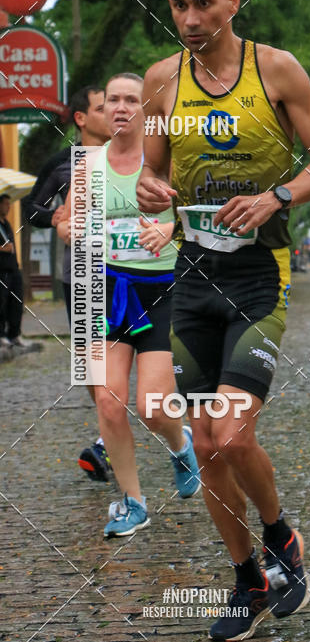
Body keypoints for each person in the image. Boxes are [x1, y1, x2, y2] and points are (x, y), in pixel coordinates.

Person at [136, 0, 310, 641]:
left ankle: (281, 534)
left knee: (230, 434)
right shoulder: (161, 82)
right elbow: (152, 175)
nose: (191, 18)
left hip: (260, 276)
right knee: (204, 442)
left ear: (231, 0)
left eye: (204, 3)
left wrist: (276, 196)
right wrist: (152, 194)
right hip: (193, 278)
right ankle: (248, 579)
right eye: (179, 7)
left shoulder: (276, 69)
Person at [57, 73, 201, 537]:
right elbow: (66, 219)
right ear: (102, 111)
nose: (120, 107)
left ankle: (180, 445)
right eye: (112, 100)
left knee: (153, 406)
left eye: (132, 100)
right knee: (108, 401)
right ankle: (133, 502)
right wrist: (68, 228)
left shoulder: (169, 159)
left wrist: (171, 230)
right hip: (104, 289)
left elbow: (198, 217)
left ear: (147, 109)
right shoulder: (89, 164)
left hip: (162, 290)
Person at [23, 85, 113, 480]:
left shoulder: (132, 157)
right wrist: (54, 217)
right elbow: (31, 207)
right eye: (102, 107)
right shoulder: (62, 164)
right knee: (90, 363)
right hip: (79, 272)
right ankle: (110, 434)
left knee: (134, 357)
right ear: (81, 118)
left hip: (131, 272)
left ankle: (120, 436)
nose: (113, 113)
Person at [0, 193, 31, 348]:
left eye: (9, 203)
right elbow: (5, 247)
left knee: (17, 303)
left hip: (13, 269)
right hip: (1, 270)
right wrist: (2, 248)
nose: (8, 207)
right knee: (1, 303)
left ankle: (14, 334)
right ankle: (1, 335)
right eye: (5, 204)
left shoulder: (6, 224)